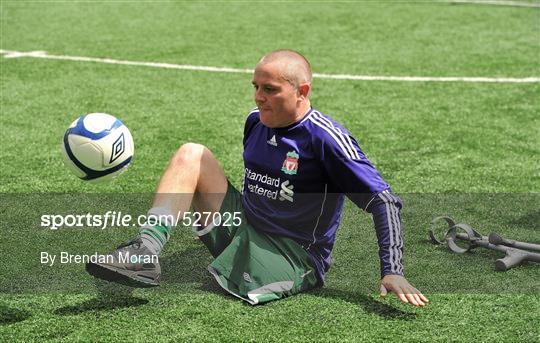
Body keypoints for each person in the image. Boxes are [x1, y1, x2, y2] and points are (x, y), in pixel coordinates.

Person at [86, 49, 428, 307]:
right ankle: (145, 250)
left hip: (292, 256)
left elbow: (384, 201)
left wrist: (392, 269)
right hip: (246, 225)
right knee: (192, 152)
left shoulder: (325, 139)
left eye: (270, 89)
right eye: (256, 87)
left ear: (302, 91)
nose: (258, 97)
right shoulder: (255, 121)